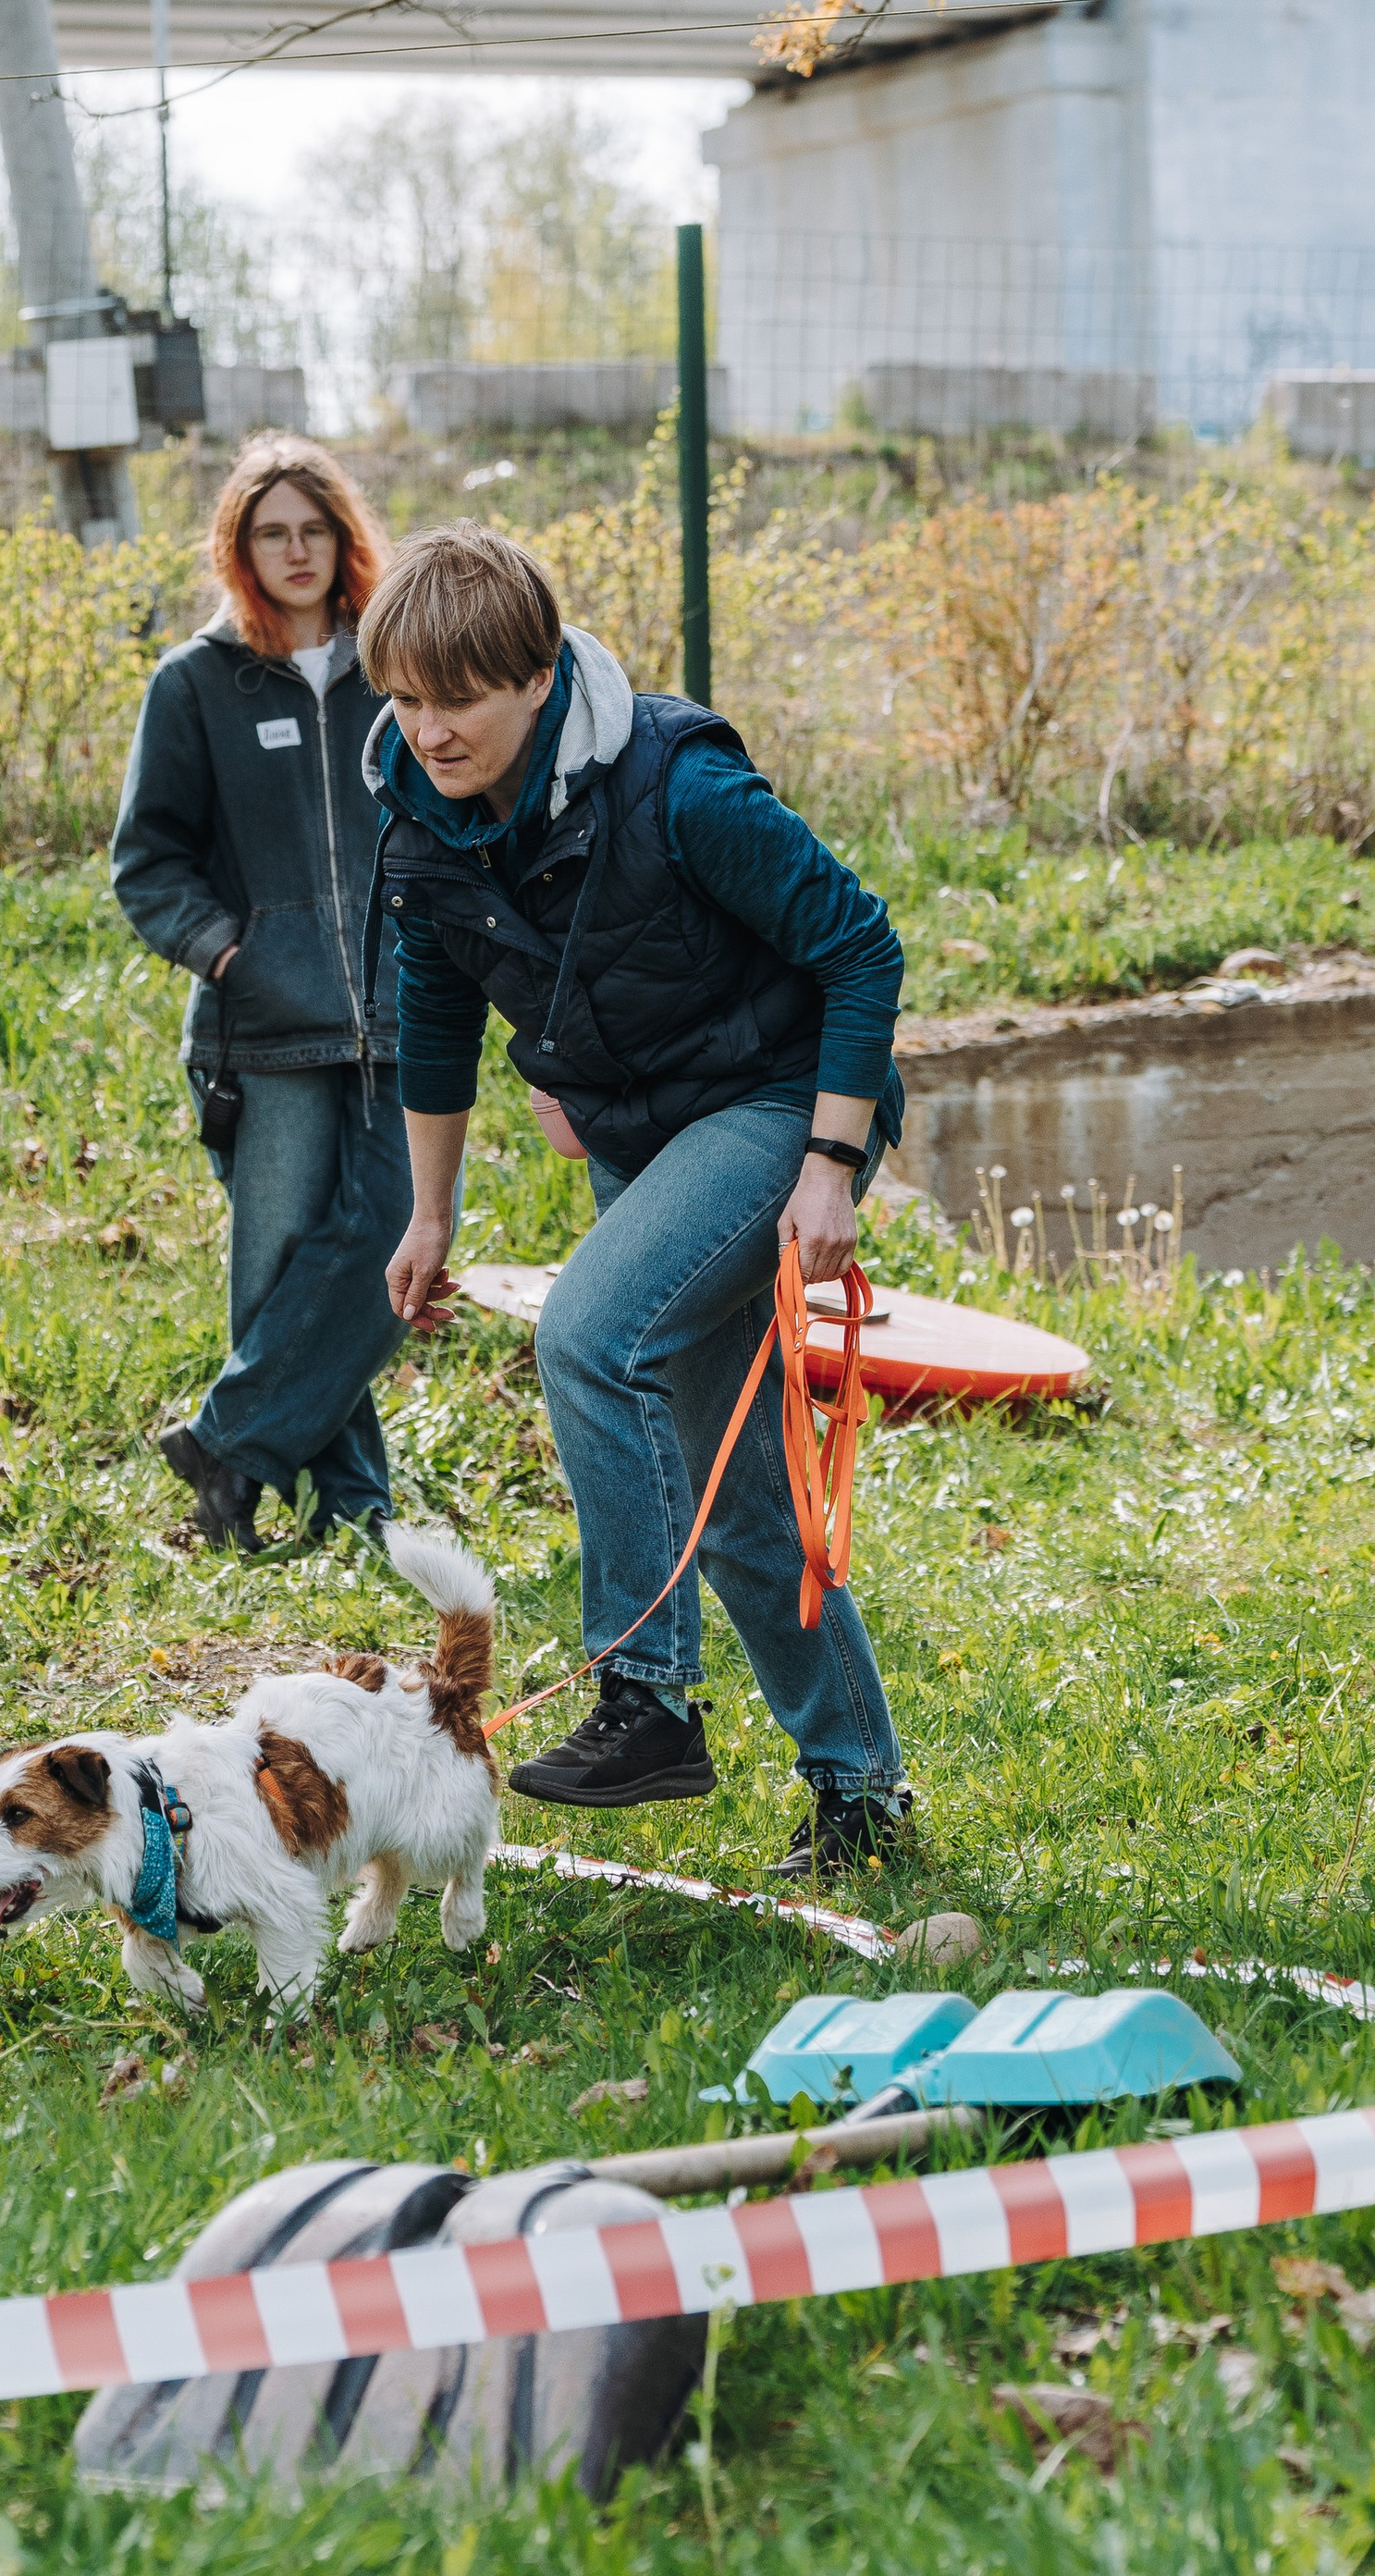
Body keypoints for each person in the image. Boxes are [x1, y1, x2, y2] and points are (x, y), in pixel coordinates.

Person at [363, 522, 915, 1880]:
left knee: (588, 1333)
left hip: (781, 1106)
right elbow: (434, 1024)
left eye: (460, 701)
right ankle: (862, 1793)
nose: (429, 730)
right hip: (646, 1137)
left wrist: (831, 1168)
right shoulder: (418, 813)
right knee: (735, 1499)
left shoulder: (675, 781)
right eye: (406, 698)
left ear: (539, 678)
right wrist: (429, 1219)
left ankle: (646, 1700)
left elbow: (860, 946)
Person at [112, 434, 411, 1553]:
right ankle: (353, 1506)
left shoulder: (394, 670)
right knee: (282, 1267)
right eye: (270, 533)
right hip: (262, 1033)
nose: (295, 550)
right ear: (241, 550)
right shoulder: (197, 682)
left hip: (395, 1019)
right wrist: (236, 954)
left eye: (313, 529)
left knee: (388, 1241)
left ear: (344, 540)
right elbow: (147, 862)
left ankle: (228, 1443)